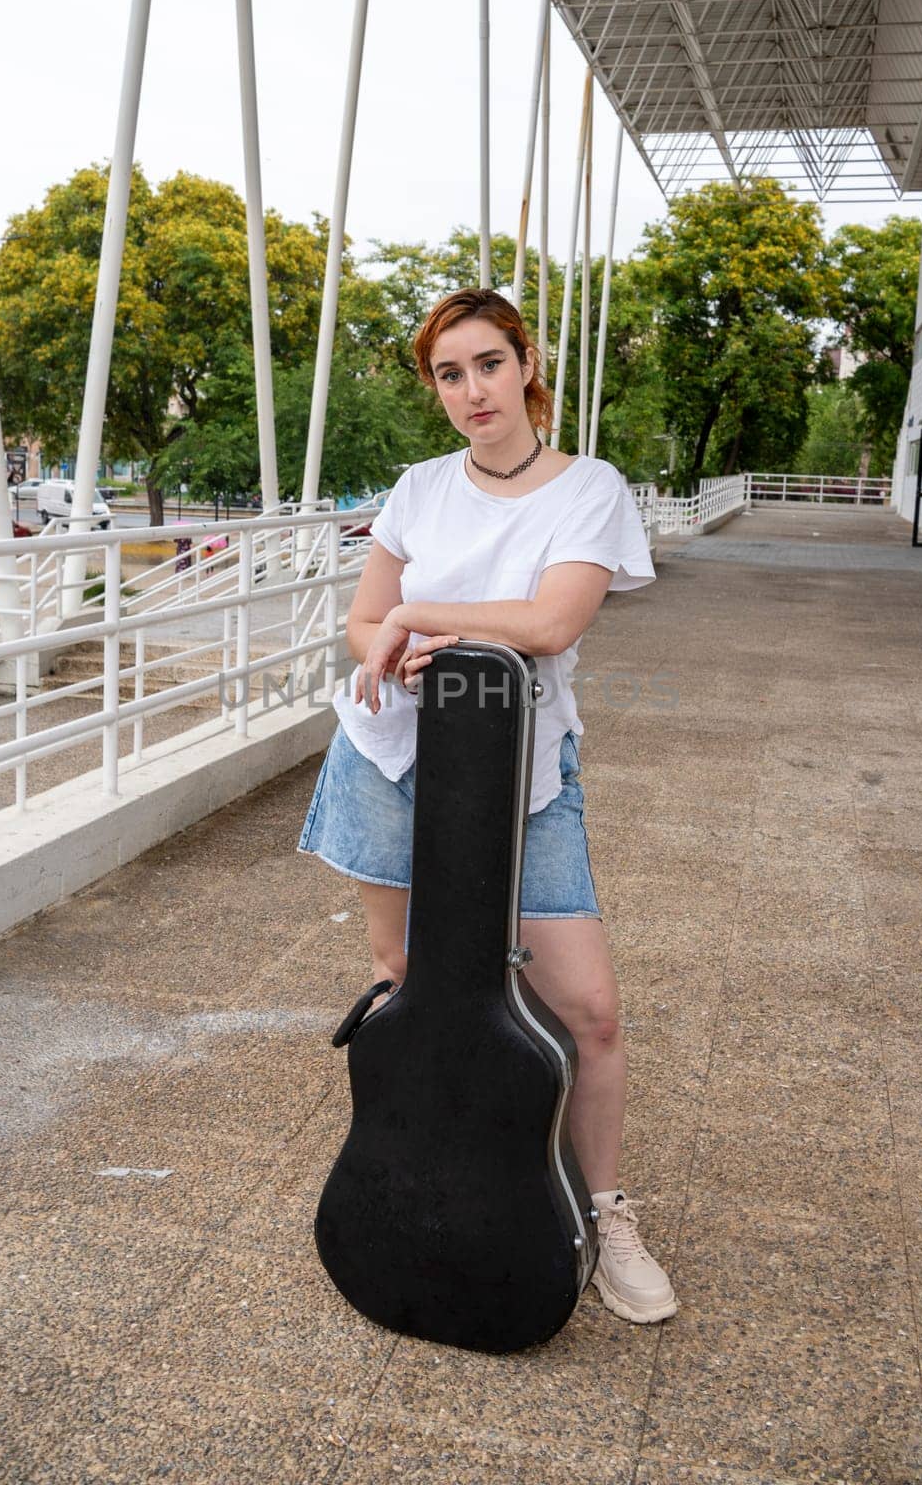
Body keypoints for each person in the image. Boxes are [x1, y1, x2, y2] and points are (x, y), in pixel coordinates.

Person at [298, 287, 677, 1325]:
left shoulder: (586, 487)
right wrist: (386, 634)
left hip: (521, 772)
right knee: (408, 980)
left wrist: (419, 613)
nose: (471, 390)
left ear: (524, 366)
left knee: (586, 1009)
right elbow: (361, 622)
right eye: (448, 374)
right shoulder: (420, 488)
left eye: (486, 365)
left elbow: (550, 622)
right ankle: (434, 1168)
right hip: (391, 756)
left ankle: (601, 1215)